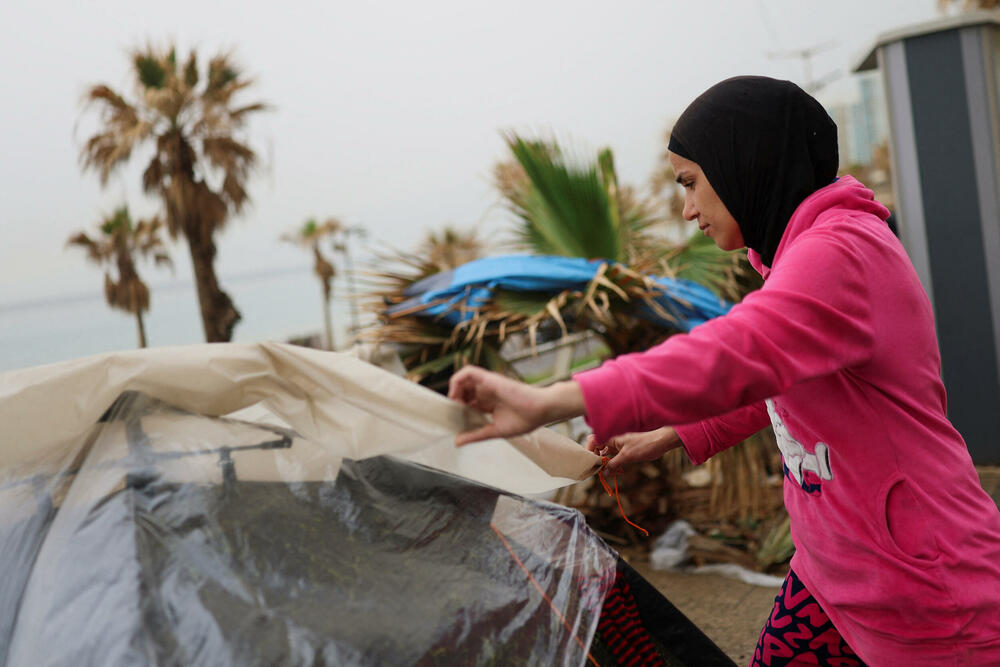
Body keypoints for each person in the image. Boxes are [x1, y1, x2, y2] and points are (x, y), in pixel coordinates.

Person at [448, 76, 1000, 666]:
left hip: (926, 599)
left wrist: (554, 400)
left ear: (748, 161)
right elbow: (778, 379)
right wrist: (680, 431)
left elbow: (740, 351)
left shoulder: (841, 252)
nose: (687, 211)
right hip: (831, 576)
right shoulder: (797, 253)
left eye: (690, 183)